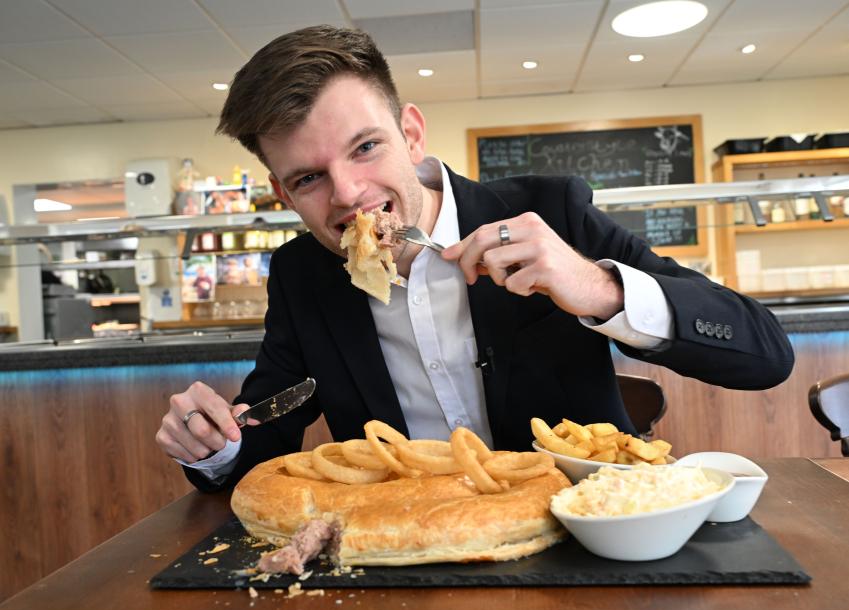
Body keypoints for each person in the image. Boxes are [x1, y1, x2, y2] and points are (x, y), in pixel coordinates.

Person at [155, 25, 794, 492]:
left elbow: (766, 355)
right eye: (307, 179)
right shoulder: (302, 275)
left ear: (410, 133)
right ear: (282, 193)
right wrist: (212, 444)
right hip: (410, 548)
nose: (348, 195)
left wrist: (596, 286)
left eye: (366, 148)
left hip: (581, 536)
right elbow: (268, 427)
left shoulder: (552, 213)